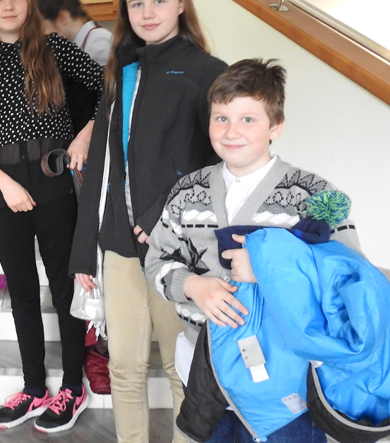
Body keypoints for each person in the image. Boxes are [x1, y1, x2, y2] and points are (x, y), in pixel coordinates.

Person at [143, 59, 362, 442]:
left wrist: (270, 267)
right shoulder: (187, 192)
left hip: (287, 374)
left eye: (248, 119)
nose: (231, 131)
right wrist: (193, 286)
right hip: (205, 370)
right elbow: (156, 260)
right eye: (221, 118)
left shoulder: (312, 194)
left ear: (276, 126)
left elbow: (349, 277)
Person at [69, 0, 226, 443]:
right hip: (118, 242)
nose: (147, 12)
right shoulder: (122, 73)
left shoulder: (209, 73)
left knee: (181, 369)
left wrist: (165, 213)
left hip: (177, 250)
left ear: (181, 3)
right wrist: (84, 250)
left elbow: (219, 166)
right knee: (124, 368)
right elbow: (101, 165)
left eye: (159, 0)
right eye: (136, 4)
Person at [0, 0, 103, 434]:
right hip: (6, 188)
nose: (8, 5)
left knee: (64, 290)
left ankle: (73, 387)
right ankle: (34, 387)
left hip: (54, 181)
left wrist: (85, 135)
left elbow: (111, 88)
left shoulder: (55, 49)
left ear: (29, 1)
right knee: (21, 292)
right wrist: (4, 182)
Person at [36, 0, 109, 133]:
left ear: (62, 18)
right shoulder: (83, 44)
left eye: (42, 30)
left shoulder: (99, 45)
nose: (42, 39)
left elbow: (108, 96)